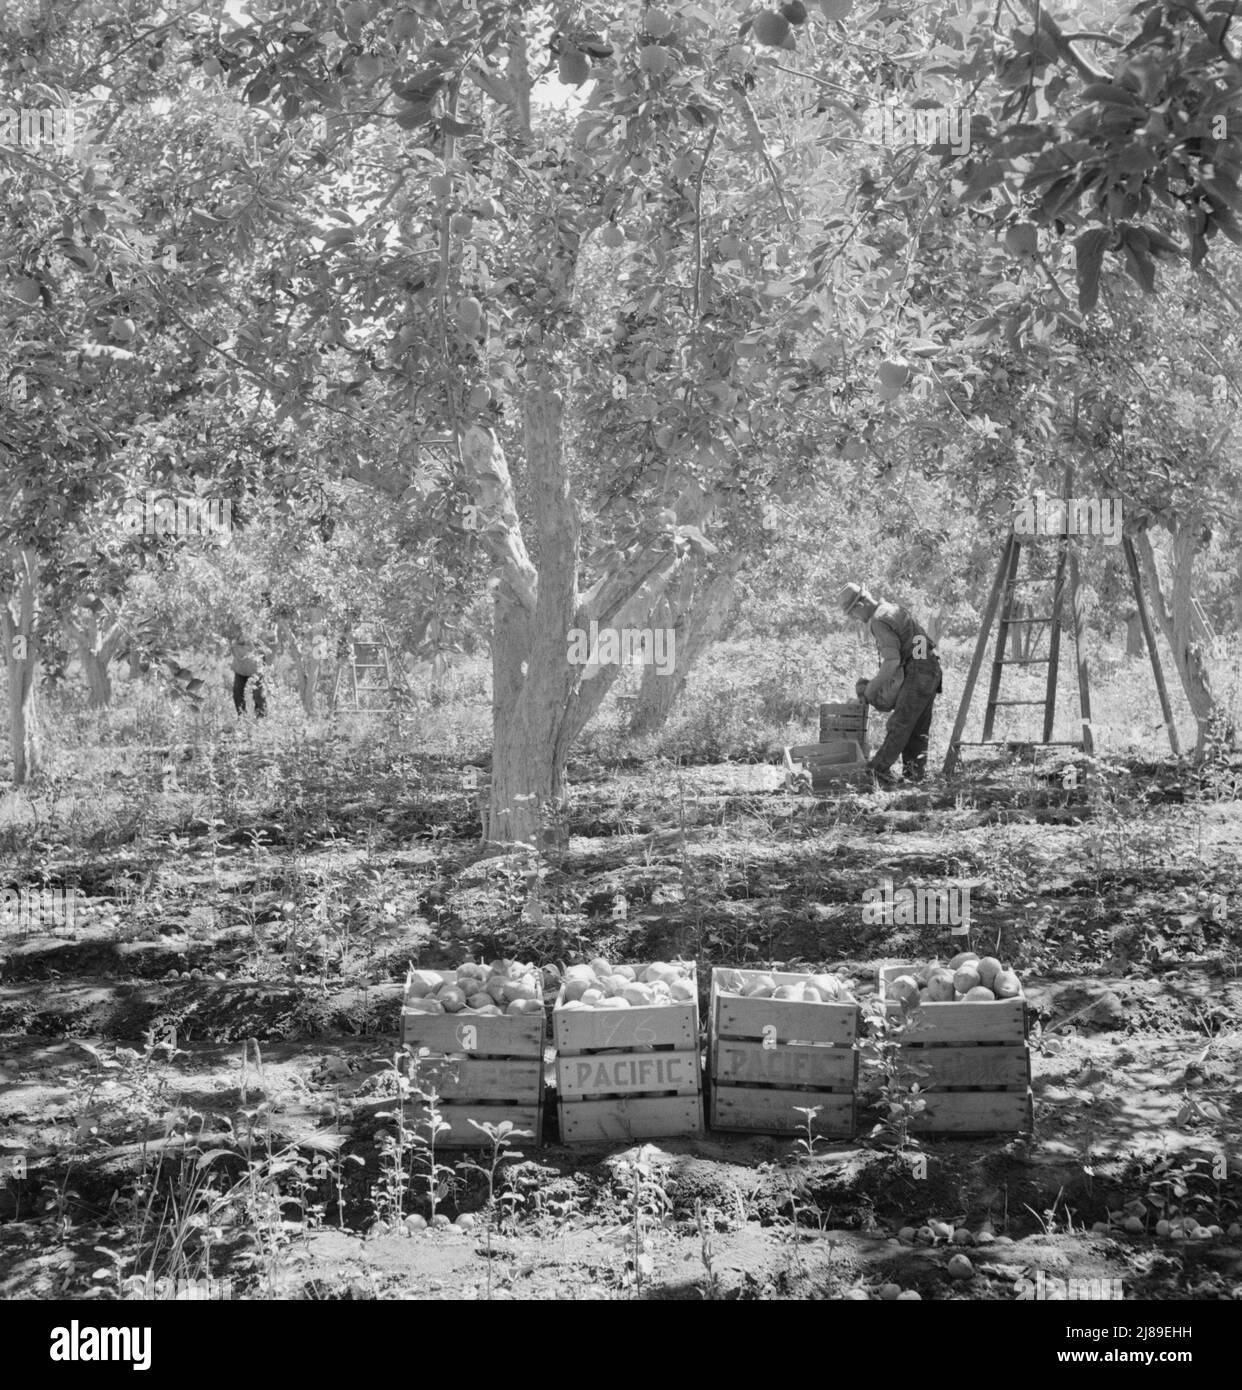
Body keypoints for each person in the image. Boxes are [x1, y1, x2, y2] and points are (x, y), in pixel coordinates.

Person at [839, 583, 942, 787]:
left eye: (852, 613)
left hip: (919, 670)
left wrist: (869, 693)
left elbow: (892, 662)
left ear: (861, 604)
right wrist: (919, 664)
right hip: (930, 667)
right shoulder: (894, 610)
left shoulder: (878, 620)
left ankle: (876, 773)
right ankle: (914, 776)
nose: (854, 618)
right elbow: (920, 639)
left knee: (900, 724)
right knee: (917, 729)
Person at [230, 631, 268, 718]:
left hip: (255, 669)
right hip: (241, 670)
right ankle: (242, 718)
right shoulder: (236, 644)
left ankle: (261, 717)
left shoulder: (257, 641)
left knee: (258, 694)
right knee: (237, 693)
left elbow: (263, 656)